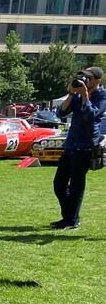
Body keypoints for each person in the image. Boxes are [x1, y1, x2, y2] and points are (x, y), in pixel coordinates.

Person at [51, 65, 106, 230]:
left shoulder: (102, 95)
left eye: (89, 78)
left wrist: (85, 96)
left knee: (76, 185)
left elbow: (91, 115)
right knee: (59, 184)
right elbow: (61, 113)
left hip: (86, 146)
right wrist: (71, 93)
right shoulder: (77, 94)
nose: (85, 80)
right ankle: (69, 217)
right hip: (71, 144)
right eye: (84, 77)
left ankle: (72, 220)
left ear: (98, 80)